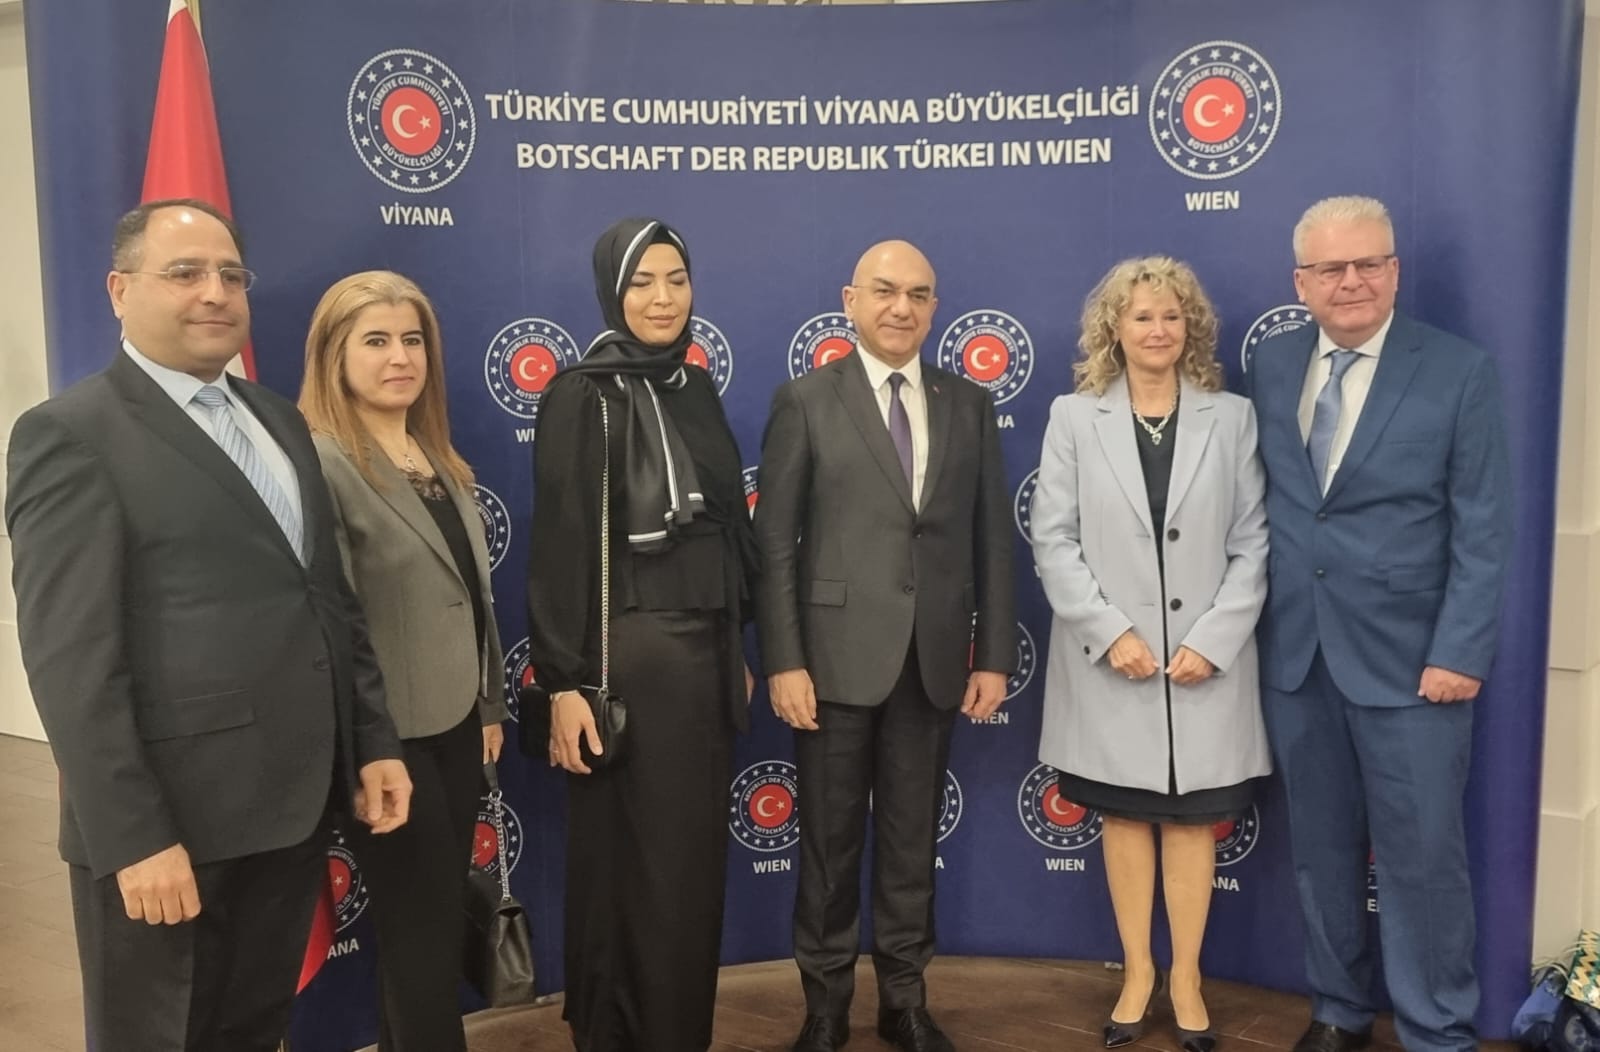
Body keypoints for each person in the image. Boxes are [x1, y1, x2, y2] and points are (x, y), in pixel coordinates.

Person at [4, 199, 411, 1052]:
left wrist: (371, 740)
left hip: (291, 808)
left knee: (251, 1030)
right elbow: (70, 660)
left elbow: (327, 600)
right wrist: (133, 838)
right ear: (120, 290)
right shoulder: (70, 436)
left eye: (231, 274)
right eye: (185, 273)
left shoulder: (278, 420)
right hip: (172, 831)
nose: (215, 292)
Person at [1250, 196, 1513, 1052]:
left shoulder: (1458, 370)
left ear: (1395, 271)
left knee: (1423, 861)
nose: (1352, 281)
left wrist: (1460, 650)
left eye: (1369, 264)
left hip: (1415, 667)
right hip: (1299, 657)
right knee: (1320, 851)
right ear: (1302, 283)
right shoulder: (1273, 364)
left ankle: (1437, 1029)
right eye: (1331, 268)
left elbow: (1483, 525)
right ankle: (1338, 1010)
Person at [755, 239, 1017, 1052]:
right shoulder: (805, 400)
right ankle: (825, 1009)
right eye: (885, 291)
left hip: (932, 661)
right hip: (831, 663)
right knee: (829, 849)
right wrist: (784, 659)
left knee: (911, 845)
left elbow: (991, 539)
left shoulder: (968, 403)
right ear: (851, 301)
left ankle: (905, 1001)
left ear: (934, 308)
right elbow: (775, 544)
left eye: (919, 294)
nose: (902, 307)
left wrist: (993, 654)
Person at [525, 217, 758, 1052]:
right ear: (611, 292)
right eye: (642, 283)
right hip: (628, 666)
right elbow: (560, 549)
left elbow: (727, 530)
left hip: (704, 663)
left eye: (676, 280)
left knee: (690, 873)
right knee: (636, 871)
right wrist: (563, 682)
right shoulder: (582, 395)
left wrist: (736, 645)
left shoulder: (694, 388)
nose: (663, 299)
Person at [1029, 257, 1269, 1052]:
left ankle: (1186, 978)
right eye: (1141, 317)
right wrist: (1111, 632)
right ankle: (1137, 973)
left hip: (1204, 668)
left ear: (1189, 327)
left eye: (1171, 316)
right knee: (1127, 815)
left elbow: (1252, 543)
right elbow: (1053, 539)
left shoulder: (1232, 419)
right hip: (1113, 665)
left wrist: (1212, 640)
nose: (1158, 330)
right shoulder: (1074, 416)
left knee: (1193, 823)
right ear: (1114, 329)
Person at [298, 270, 509, 1051]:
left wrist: (488, 705)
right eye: (377, 341)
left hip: (455, 727)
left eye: (413, 340)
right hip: (388, 743)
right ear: (335, 354)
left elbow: (471, 598)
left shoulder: (432, 455)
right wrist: (370, 747)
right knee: (421, 944)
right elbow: (336, 621)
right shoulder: (321, 463)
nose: (400, 357)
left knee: (428, 935)